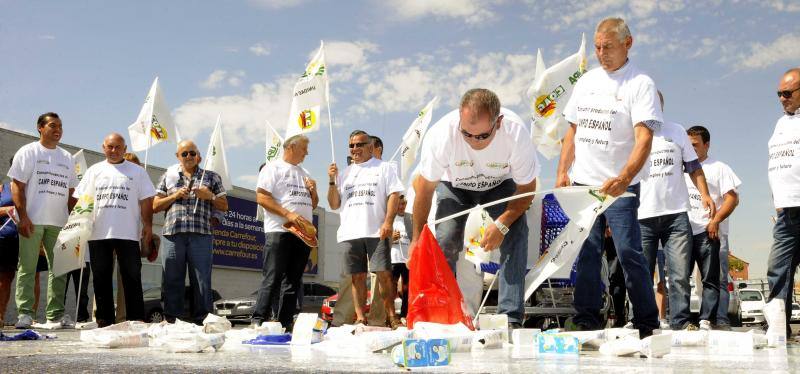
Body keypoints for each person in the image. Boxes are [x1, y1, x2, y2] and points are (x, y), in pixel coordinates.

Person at [556, 17, 660, 336]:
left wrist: (625, 177)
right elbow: (573, 130)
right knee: (586, 251)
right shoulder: (586, 82)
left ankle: (646, 319)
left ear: (628, 44)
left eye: (608, 47)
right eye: (598, 47)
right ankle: (586, 317)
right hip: (584, 184)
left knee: (629, 252)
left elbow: (644, 138)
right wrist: (562, 172)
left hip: (620, 187)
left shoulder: (641, 83)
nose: (602, 53)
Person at [410, 88, 540, 329]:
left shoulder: (515, 132)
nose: (472, 142)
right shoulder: (441, 134)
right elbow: (424, 189)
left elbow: (528, 188)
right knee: (446, 237)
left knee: (517, 231)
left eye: (481, 137)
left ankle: (510, 316)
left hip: (500, 184)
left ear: (498, 122)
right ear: (459, 117)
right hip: (454, 185)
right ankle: (443, 313)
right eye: (466, 134)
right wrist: (417, 239)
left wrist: (501, 224)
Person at [639, 92, 716, 330]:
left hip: (675, 216)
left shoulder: (677, 131)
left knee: (679, 274)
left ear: (660, 106)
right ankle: (643, 321)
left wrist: (704, 194)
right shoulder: (631, 136)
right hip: (642, 216)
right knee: (640, 274)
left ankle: (680, 322)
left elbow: (693, 167)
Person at [76, 133, 155, 327]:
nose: (114, 150)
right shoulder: (94, 171)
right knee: (101, 276)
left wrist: (148, 226)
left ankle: (135, 319)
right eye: (110, 147)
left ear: (125, 149)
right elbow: (82, 200)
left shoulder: (137, 172)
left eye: (118, 147)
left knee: (132, 276)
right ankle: (104, 320)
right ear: (103, 147)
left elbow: (147, 200)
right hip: (98, 233)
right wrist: (79, 224)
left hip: (127, 233)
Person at [7, 112, 78, 329]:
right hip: (32, 220)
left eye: (60, 126)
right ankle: (25, 314)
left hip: (59, 223)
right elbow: (17, 185)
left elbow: (71, 191)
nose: (58, 130)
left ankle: (55, 316)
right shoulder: (28, 151)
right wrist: (23, 217)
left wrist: (73, 221)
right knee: (27, 268)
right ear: (40, 128)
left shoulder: (67, 157)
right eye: (52, 125)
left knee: (60, 269)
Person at [328, 130, 405, 328]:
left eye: (359, 145)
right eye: (351, 145)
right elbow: (334, 204)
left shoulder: (384, 168)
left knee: (385, 275)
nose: (355, 149)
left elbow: (394, 195)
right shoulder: (344, 173)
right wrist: (331, 180)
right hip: (350, 233)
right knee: (357, 276)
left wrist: (388, 222)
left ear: (370, 147)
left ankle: (391, 317)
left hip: (376, 231)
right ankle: (360, 318)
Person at [154, 140, 228, 324]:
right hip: (173, 234)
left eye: (192, 153)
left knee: (202, 279)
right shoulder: (168, 176)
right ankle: (172, 320)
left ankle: (203, 319)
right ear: (178, 156)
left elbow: (224, 205)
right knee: (172, 278)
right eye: (184, 153)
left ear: (199, 157)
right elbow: (155, 206)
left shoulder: (212, 178)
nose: (189, 156)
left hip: (201, 234)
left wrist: (209, 196)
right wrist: (174, 196)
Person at [251, 135, 317, 329]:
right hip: (280, 230)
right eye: (304, 148)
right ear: (292, 147)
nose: (307, 152)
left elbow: (313, 204)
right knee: (273, 276)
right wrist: (287, 214)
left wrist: (313, 192)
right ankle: (259, 320)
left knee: (293, 280)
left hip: (303, 234)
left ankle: (284, 322)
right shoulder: (273, 168)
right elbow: (262, 197)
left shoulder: (305, 172)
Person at [684, 125, 740, 330]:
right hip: (684, 233)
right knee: (681, 279)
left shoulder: (719, 167)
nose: (692, 149)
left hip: (712, 233)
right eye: (688, 145)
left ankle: (720, 321)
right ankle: (683, 321)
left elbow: (732, 199)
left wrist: (715, 220)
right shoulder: (680, 167)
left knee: (716, 279)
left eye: (696, 145)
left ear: (707, 144)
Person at [766, 67, 800, 338]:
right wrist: (777, 202)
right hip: (786, 213)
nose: (782, 98)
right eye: (779, 93)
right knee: (778, 270)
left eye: (787, 93)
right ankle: (779, 329)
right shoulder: (780, 125)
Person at [0, 169, 19, 327]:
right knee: (2, 278)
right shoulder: (2, 188)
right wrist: (7, 209)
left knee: (8, 279)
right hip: (4, 238)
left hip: (24, 239)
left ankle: (2, 316)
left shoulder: (32, 189)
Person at [390, 195, 410, 318]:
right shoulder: (391, 219)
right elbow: (382, 238)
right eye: (399, 204)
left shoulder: (411, 219)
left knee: (406, 290)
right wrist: (391, 238)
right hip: (394, 258)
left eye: (403, 204)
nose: (401, 206)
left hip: (408, 260)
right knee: (391, 289)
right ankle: (390, 315)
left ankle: (404, 315)